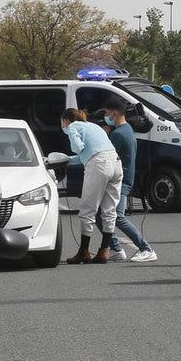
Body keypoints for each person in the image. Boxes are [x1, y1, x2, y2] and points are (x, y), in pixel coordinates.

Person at [61, 108, 124, 264]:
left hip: (99, 165)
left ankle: (84, 252)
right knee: (109, 211)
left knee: (88, 210)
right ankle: (104, 251)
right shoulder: (94, 126)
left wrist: (71, 136)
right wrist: (67, 160)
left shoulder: (73, 126)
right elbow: (87, 154)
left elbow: (78, 148)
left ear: (65, 120)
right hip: (116, 163)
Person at [98, 97, 157, 262]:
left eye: (107, 113)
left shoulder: (118, 134)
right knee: (99, 215)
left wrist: (104, 136)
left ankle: (146, 249)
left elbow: (107, 156)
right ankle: (116, 248)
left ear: (114, 113)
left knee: (117, 216)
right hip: (123, 179)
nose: (105, 116)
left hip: (120, 181)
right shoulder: (127, 129)